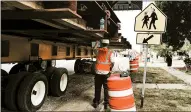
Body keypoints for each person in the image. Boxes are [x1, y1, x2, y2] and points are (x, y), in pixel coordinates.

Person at [92, 39, 114, 110]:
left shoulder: (98, 51)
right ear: (108, 44)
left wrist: (97, 43)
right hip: (106, 73)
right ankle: (106, 103)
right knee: (106, 88)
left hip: (98, 72)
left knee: (97, 88)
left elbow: (94, 49)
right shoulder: (110, 52)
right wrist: (110, 69)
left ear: (102, 44)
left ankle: (96, 102)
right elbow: (113, 62)